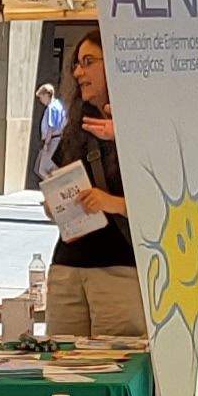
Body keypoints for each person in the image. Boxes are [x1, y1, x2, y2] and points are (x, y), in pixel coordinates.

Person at [43, 32, 144, 337]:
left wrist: (111, 203)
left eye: (88, 62)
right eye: (76, 64)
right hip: (67, 267)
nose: (77, 73)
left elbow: (168, 202)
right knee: (62, 366)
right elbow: (60, 181)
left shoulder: (146, 128)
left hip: (121, 269)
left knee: (117, 368)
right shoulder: (77, 125)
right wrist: (55, 207)